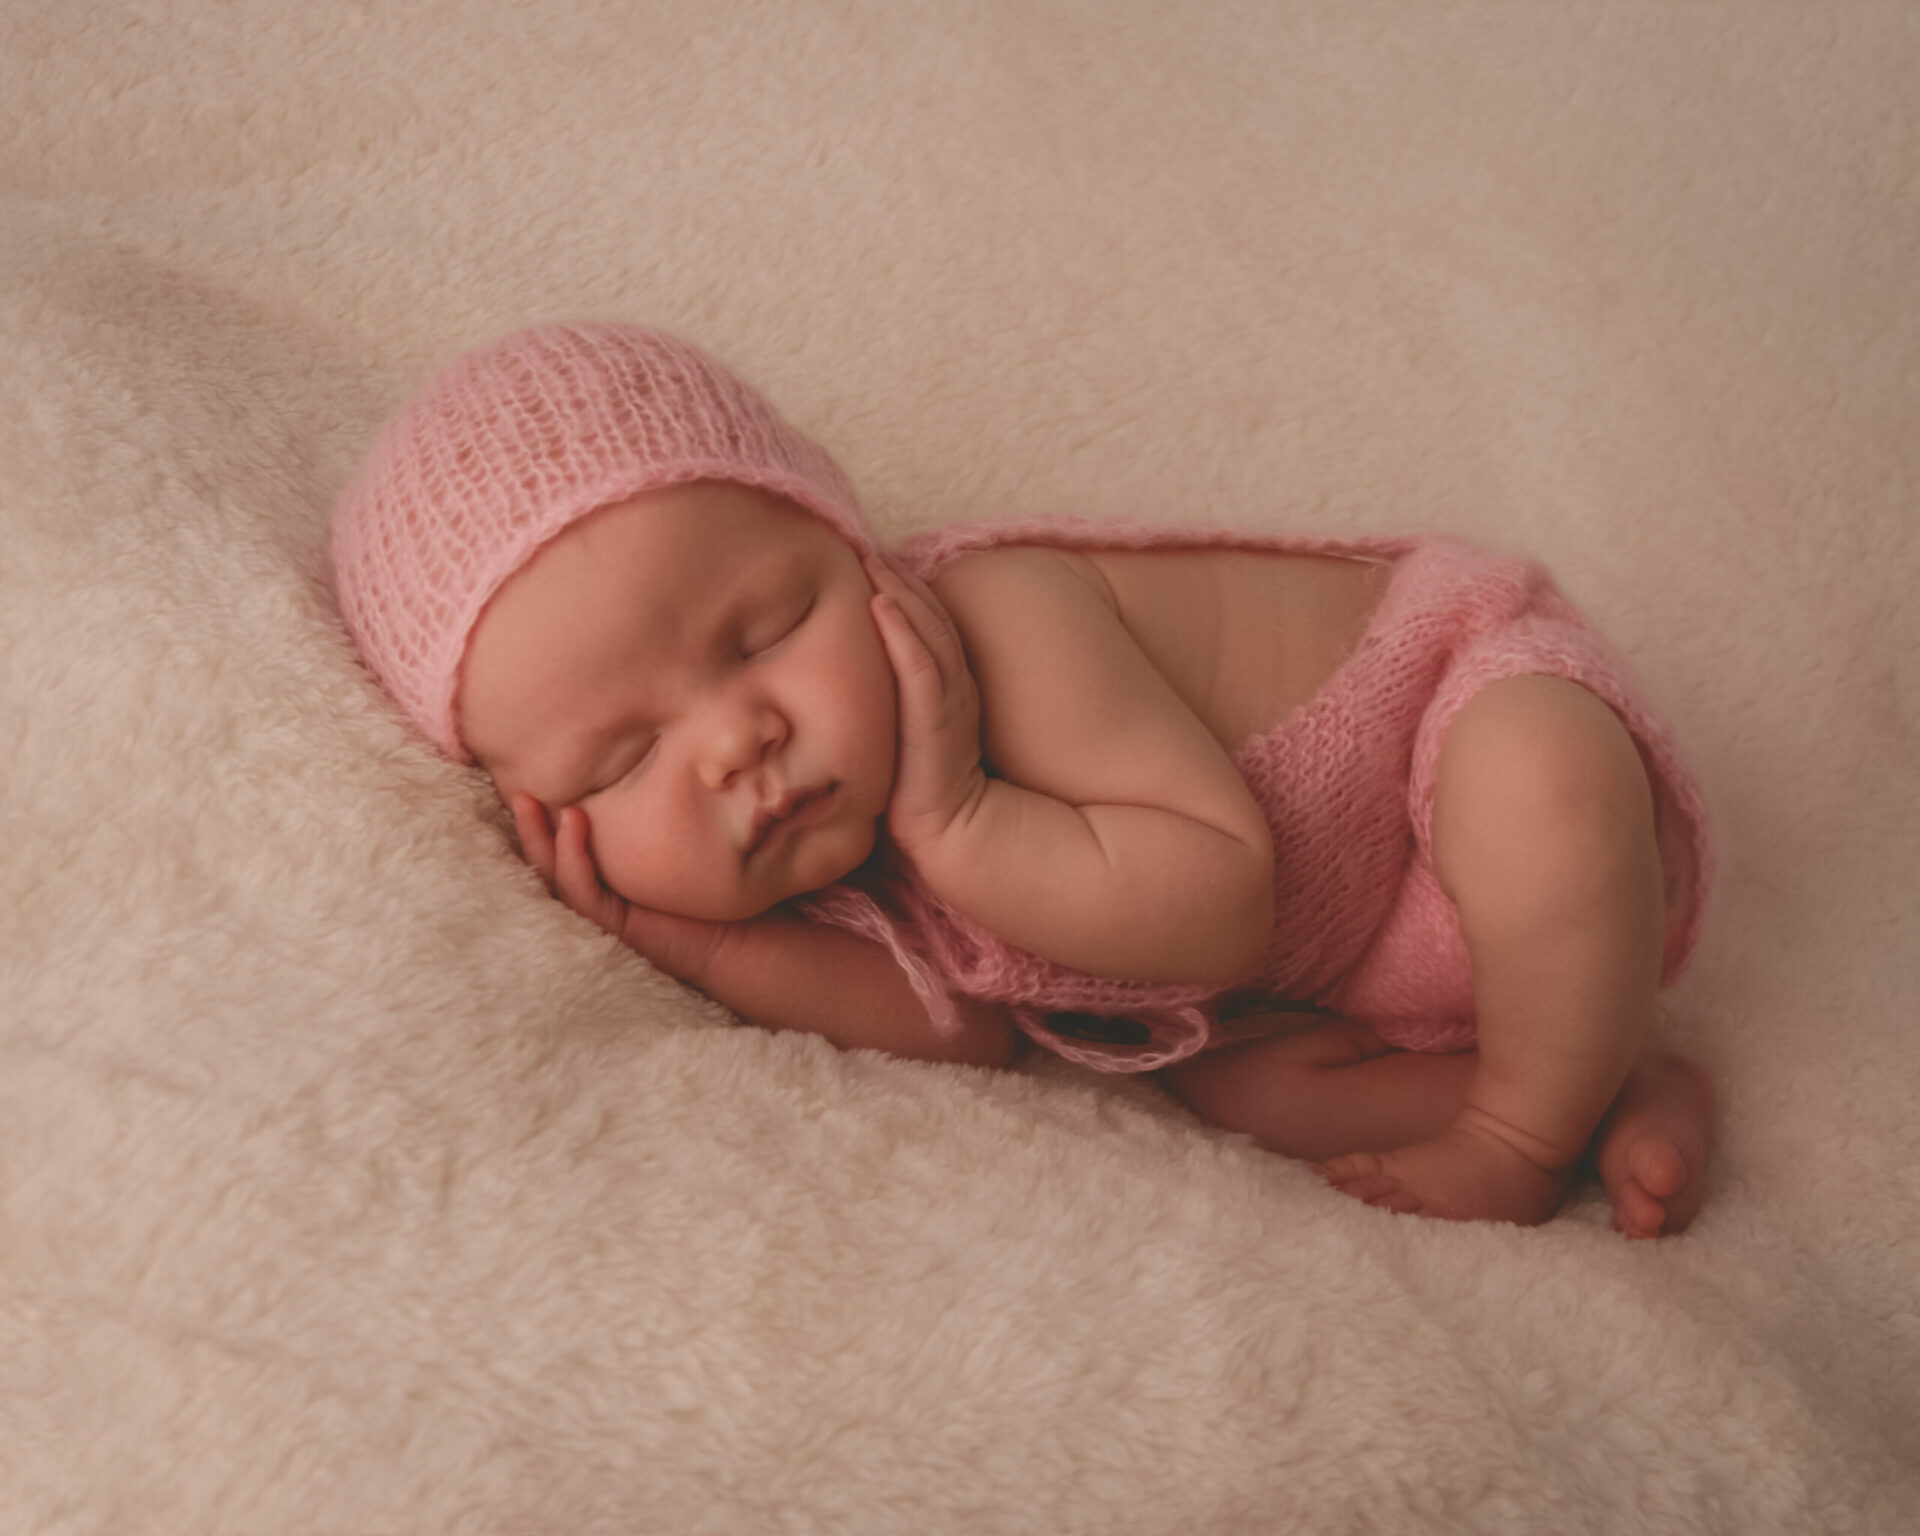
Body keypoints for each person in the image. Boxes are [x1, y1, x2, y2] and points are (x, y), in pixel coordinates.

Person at [333, 321, 1718, 1237]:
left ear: (853, 546)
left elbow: (1221, 899)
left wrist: (956, 818)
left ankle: (1523, 1130)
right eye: (625, 756)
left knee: (1535, 781)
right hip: (1364, 967)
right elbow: (965, 1033)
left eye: (766, 632)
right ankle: (1600, 1080)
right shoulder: (801, 855)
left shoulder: (994, 622)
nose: (734, 740)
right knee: (1237, 1093)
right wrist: (677, 934)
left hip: (1443, 762)